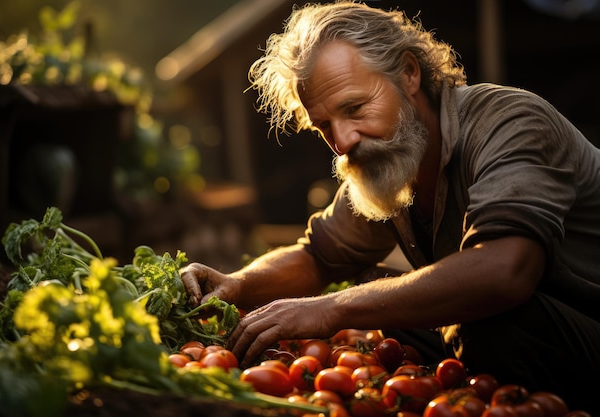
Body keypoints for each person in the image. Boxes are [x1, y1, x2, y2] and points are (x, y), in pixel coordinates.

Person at [181, 1, 600, 412]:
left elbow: (506, 270)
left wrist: (331, 308)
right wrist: (236, 284)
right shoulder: (391, 160)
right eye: (324, 125)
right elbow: (317, 255)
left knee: (481, 320)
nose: (343, 142)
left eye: (354, 108)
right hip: (543, 339)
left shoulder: (511, 121)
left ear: (409, 73)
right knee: (389, 299)